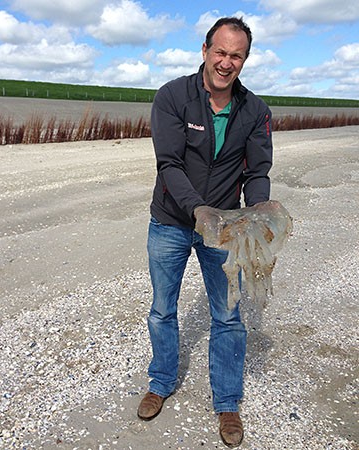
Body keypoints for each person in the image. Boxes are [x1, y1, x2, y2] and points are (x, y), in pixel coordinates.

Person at [137, 16, 273, 448]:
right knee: (163, 308)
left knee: (228, 315)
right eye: (221, 51)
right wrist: (198, 211)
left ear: (245, 60)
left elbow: (258, 169)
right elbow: (169, 165)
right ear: (204, 50)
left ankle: (228, 402)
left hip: (224, 227)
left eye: (236, 55)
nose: (226, 62)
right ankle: (160, 382)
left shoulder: (255, 110)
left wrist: (258, 208)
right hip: (171, 222)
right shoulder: (173, 96)